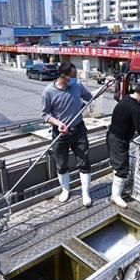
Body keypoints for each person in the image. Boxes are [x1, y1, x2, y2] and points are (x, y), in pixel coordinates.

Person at [42, 62, 93, 207]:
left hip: (79, 130)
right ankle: (65, 190)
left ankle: (86, 192)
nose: (75, 79)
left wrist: (85, 105)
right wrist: (58, 124)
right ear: (63, 76)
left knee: (83, 162)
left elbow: (89, 97)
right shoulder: (48, 92)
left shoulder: (77, 86)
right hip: (60, 133)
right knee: (61, 163)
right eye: (72, 76)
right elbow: (45, 114)